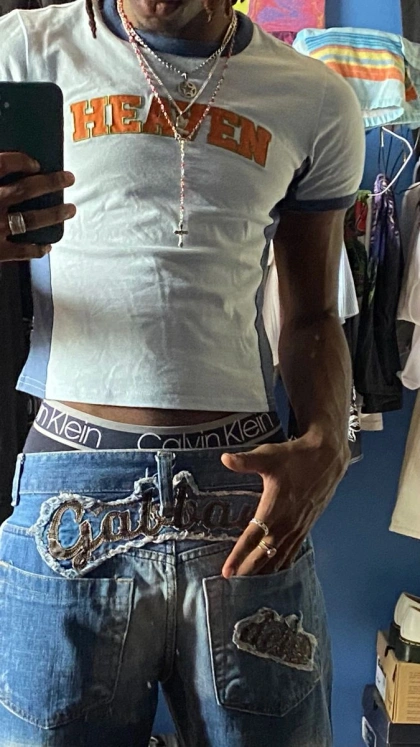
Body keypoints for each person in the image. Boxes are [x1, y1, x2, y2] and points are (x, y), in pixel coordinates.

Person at [0, 0, 365, 743]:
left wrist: (330, 441)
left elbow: (312, 315)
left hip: (244, 490)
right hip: (72, 474)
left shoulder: (316, 99)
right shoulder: (22, 51)